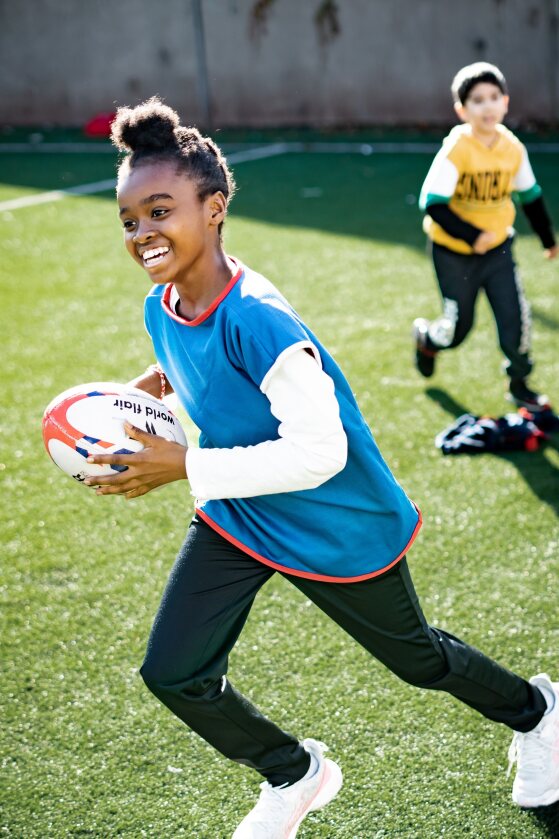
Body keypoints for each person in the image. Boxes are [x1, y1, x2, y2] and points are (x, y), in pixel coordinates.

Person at [85, 98, 558, 837]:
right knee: (173, 671)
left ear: (212, 208)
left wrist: (182, 462)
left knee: (419, 661)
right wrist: (131, 395)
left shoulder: (262, 319)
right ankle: (293, 771)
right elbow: (186, 354)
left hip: (333, 517)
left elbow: (318, 452)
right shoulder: (164, 302)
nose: (143, 232)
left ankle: (536, 714)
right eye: (129, 220)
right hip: (241, 511)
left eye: (159, 210)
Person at [413, 62, 557, 411]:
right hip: (453, 254)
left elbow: (530, 196)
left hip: (498, 252)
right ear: (462, 110)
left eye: (494, 97)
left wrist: (548, 239)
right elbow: (432, 203)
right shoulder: (457, 148)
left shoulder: (512, 148)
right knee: (458, 329)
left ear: (506, 102)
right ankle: (428, 339)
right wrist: (472, 235)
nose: (488, 106)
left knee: (515, 320)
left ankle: (520, 383)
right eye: (477, 100)